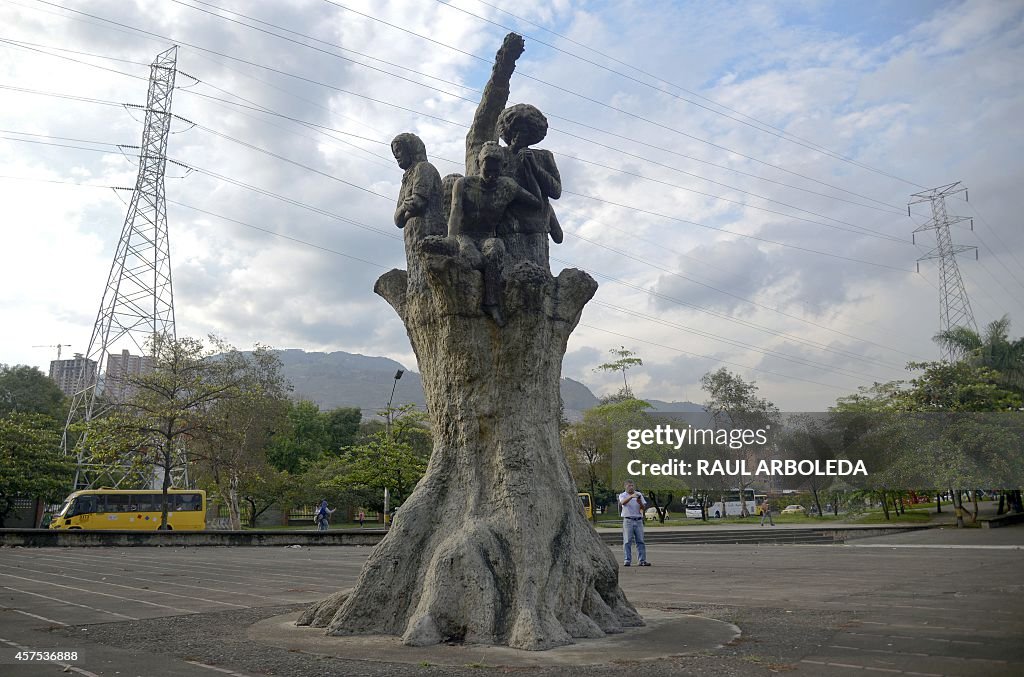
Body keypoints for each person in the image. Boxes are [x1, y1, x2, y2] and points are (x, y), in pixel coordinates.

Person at [619, 480, 650, 567]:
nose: (631, 487)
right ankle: (627, 560)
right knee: (627, 541)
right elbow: (622, 503)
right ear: (625, 486)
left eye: (632, 486)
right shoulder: (623, 495)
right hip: (628, 520)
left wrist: (639, 502)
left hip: (638, 519)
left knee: (640, 541)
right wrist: (631, 497)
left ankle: (642, 560)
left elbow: (643, 507)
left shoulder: (638, 494)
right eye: (629, 486)